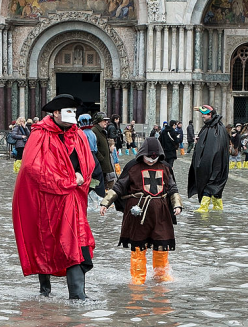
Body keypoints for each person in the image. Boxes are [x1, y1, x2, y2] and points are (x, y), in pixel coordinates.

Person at [12, 94, 96, 300]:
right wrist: (67, 180)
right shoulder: (40, 134)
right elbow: (33, 168)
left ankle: (77, 295)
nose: (73, 116)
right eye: (69, 111)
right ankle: (45, 288)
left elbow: (89, 163)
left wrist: (81, 177)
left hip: (72, 199)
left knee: (76, 242)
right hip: (47, 201)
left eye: (75, 112)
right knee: (47, 241)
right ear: (56, 113)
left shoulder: (79, 136)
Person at [100, 137, 183, 284]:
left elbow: (172, 188)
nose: (151, 161)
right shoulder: (133, 167)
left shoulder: (165, 167)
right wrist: (105, 203)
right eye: (148, 158)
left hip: (161, 214)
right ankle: (138, 279)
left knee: (162, 245)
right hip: (138, 215)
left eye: (154, 157)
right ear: (142, 154)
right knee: (138, 247)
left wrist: (177, 205)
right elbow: (119, 187)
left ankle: (161, 276)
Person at [188, 105, 229, 213]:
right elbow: (206, 143)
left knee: (211, 184)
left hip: (216, 164)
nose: (202, 116)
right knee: (213, 187)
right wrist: (199, 141)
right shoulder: (207, 127)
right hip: (207, 164)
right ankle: (218, 208)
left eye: (204, 114)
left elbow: (216, 148)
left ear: (210, 114)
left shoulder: (218, 128)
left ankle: (204, 207)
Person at [92, 113, 116, 192]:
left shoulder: (101, 131)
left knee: (104, 185)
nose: (106, 122)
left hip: (103, 164)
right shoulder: (95, 131)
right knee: (99, 186)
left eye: (107, 120)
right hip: (100, 165)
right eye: (104, 120)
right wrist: (101, 158)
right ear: (98, 121)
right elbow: (93, 148)